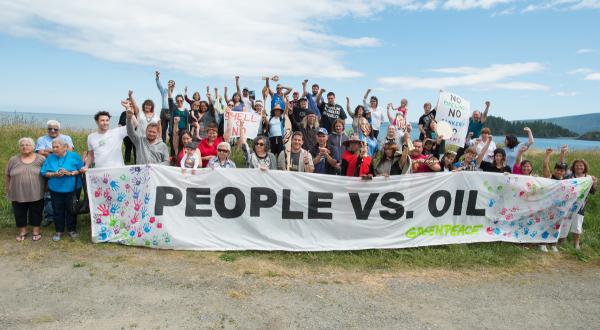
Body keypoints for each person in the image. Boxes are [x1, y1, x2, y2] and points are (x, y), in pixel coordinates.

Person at [40, 137, 85, 242]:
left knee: (72, 209)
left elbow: (82, 170)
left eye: (57, 147)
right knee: (57, 210)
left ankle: (72, 230)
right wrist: (54, 174)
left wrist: (70, 173)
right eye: (53, 147)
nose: (54, 149)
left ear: (65, 147)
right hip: (55, 189)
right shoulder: (50, 157)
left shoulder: (74, 156)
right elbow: (43, 172)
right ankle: (59, 231)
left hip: (73, 188)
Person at [35, 119, 75, 226]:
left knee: (67, 195)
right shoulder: (41, 139)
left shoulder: (66, 138)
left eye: (55, 129)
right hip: (48, 168)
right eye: (50, 129)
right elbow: (40, 153)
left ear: (59, 129)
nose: (52, 131)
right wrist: (59, 150)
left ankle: (66, 217)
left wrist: (49, 150)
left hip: (67, 169)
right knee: (48, 194)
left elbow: (70, 151)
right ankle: (49, 216)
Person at [6, 137, 46, 241]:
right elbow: (8, 175)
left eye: (27, 144)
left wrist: (46, 188)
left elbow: (46, 174)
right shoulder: (13, 159)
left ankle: (36, 231)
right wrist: (8, 188)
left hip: (36, 191)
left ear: (33, 147)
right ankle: (23, 231)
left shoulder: (41, 159)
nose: (24, 147)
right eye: (22, 145)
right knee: (19, 212)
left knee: (36, 211)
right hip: (17, 192)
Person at [563, 159, 597, 250]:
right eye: (577, 165)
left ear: (585, 167)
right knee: (564, 222)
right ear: (573, 167)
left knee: (577, 225)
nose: (579, 167)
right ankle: (562, 240)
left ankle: (576, 243)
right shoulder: (569, 176)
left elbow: (593, 191)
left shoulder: (588, 178)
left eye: (581, 165)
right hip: (568, 204)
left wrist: (594, 183)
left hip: (580, 205)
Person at [124, 100, 170, 165]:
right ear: (146, 131)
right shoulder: (139, 141)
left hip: (156, 173)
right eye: (150, 131)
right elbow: (130, 132)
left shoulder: (162, 145)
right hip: (141, 173)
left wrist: (154, 167)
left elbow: (167, 162)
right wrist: (128, 119)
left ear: (157, 133)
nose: (151, 133)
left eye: (154, 132)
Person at [155, 71, 174, 141]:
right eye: (169, 82)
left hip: (171, 112)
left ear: (173, 85)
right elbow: (159, 86)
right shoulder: (164, 91)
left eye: (171, 82)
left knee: (171, 129)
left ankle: (171, 143)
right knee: (162, 128)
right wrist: (157, 77)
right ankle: (162, 144)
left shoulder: (175, 93)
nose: (169, 83)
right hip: (163, 111)